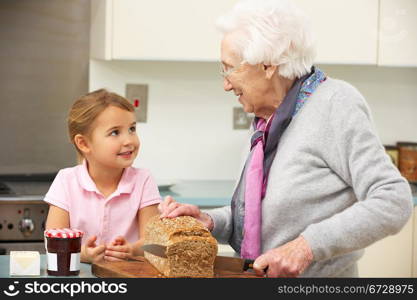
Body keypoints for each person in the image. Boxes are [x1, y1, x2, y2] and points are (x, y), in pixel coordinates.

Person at [158, 0, 413, 277]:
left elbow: (393, 200)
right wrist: (209, 221)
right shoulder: (268, 119)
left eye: (230, 68)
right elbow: (260, 219)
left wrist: (306, 247)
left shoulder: (335, 104)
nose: (226, 83)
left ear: (268, 66)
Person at [44, 89, 161, 264]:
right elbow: (54, 243)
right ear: (83, 143)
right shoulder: (66, 181)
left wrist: (132, 250)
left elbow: (153, 242)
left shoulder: (143, 180)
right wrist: (82, 254)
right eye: (115, 132)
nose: (129, 140)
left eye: (132, 129)